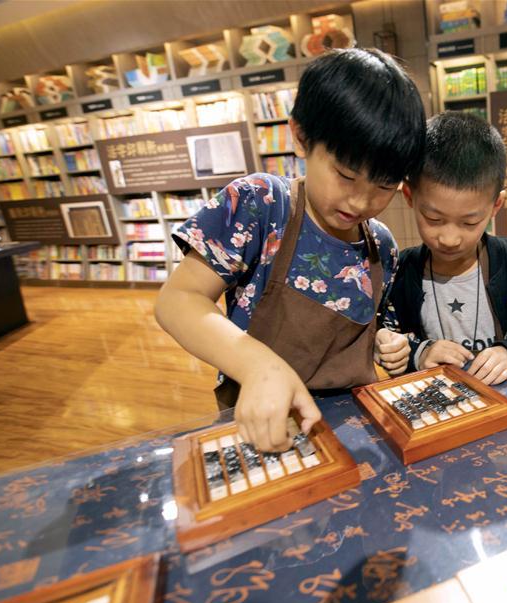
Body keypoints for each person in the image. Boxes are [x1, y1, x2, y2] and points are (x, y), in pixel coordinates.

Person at [155, 48, 424, 452]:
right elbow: (178, 300)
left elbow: (367, 326)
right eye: (346, 175)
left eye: (384, 186)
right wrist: (258, 363)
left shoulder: (381, 245)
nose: (361, 202)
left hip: (354, 432)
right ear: (300, 137)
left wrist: (389, 341)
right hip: (265, 427)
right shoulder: (261, 204)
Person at [377, 111, 507, 385]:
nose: (449, 238)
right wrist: (418, 353)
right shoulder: (401, 271)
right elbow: (383, 335)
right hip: (436, 408)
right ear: (410, 196)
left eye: (470, 222)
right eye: (433, 219)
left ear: (496, 206)